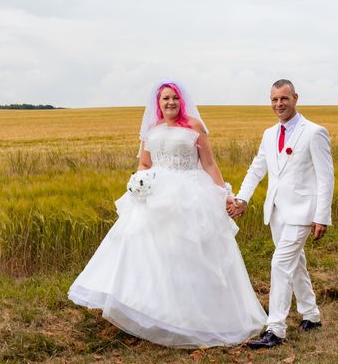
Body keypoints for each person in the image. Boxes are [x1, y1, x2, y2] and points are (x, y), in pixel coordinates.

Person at [68, 80, 267, 348]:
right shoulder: (152, 129)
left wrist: (224, 193)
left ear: (181, 100)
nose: (170, 102)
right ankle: (155, 313)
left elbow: (208, 162)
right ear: (158, 103)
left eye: (174, 98)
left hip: (190, 195)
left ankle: (192, 318)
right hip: (155, 195)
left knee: (187, 253)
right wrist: (139, 183)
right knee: (151, 253)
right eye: (165, 99)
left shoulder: (195, 126)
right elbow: (144, 162)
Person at [228, 79, 334, 349]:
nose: (279, 104)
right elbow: (256, 169)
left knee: (280, 264)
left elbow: (326, 177)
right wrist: (242, 198)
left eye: (284, 99)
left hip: (303, 212)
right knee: (295, 263)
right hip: (276, 212)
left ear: (295, 98)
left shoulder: (314, 132)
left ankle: (275, 329)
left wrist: (322, 216)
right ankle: (311, 315)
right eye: (274, 99)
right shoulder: (268, 134)